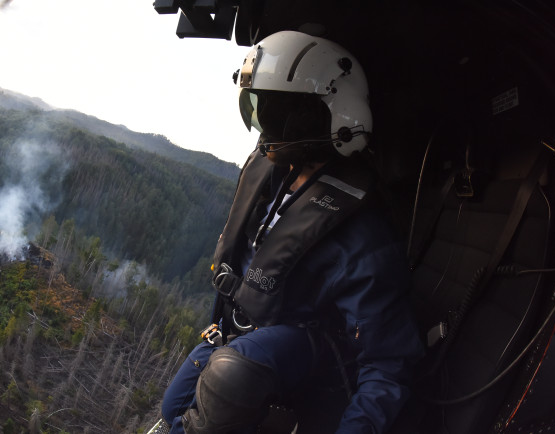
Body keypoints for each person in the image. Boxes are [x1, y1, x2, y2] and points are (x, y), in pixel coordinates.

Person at [157, 30, 423, 434]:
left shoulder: (361, 234)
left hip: (311, 359)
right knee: (172, 407)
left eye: (282, 112)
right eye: (265, 108)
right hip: (246, 341)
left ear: (330, 115)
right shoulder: (276, 181)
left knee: (230, 377)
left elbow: (388, 363)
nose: (269, 126)